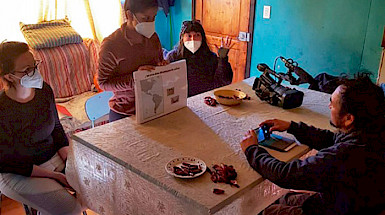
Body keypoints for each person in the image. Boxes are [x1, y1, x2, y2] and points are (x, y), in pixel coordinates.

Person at [240, 74, 385, 215]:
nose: (329, 106)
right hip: (351, 201)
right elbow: (332, 139)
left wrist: (251, 150)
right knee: (283, 199)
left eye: (332, 104)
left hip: (338, 209)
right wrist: (292, 127)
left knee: (269, 211)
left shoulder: (346, 155)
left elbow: (285, 174)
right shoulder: (371, 133)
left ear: (348, 118)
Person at [0, 41, 83, 214]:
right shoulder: (2, 108)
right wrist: (55, 176)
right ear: (9, 76)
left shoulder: (44, 90)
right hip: (17, 172)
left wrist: (69, 161)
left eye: (35, 65)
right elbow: (8, 161)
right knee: (68, 208)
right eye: (27, 70)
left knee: (94, 190)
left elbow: (57, 128)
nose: (35, 72)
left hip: (51, 157)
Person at [98, 0, 167, 122]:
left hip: (153, 106)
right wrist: (135, 79)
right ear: (129, 15)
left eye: (154, 17)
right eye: (145, 18)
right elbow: (103, 83)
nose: (151, 23)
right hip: (124, 111)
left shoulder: (153, 37)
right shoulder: (111, 45)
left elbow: (158, 63)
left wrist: (163, 66)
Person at [165, 20, 233, 97]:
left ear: (202, 38)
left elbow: (223, 82)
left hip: (205, 99)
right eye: (189, 36)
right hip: (181, 100)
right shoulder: (173, 57)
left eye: (197, 35)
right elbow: (166, 83)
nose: (193, 39)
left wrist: (222, 59)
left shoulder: (210, 57)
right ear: (182, 37)